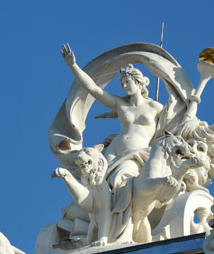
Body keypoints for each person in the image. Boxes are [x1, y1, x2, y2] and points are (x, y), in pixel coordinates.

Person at [61, 44, 164, 190]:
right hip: (113, 151)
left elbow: (172, 126)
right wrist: (73, 66)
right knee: (101, 189)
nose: (124, 86)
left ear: (138, 82)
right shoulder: (120, 104)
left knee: (120, 183)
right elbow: (93, 88)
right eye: (122, 83)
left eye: (127, 82)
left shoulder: (155, 107)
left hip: (136, 154)